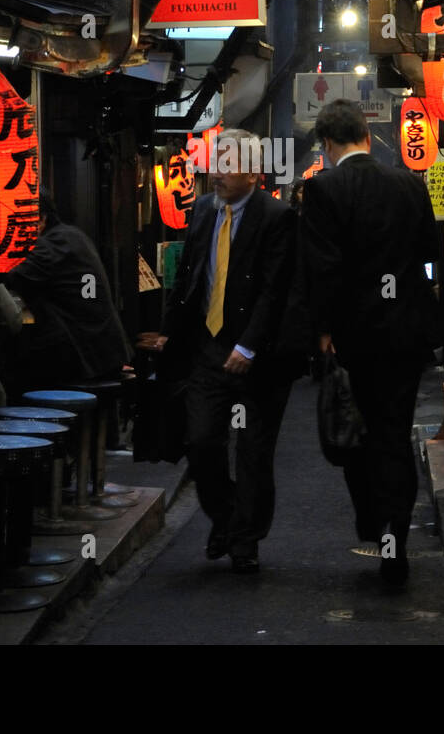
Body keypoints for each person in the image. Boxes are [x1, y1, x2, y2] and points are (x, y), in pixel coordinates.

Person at [138, 129, 298, 574]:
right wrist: (172, 332)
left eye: (227, 165)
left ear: (252, 171)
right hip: (206, 350)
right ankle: (225, 517)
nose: (216, 175)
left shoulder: (277, 217)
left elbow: (274, 289)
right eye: (215, 163)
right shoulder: (204, 212)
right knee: (202, 440)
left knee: (253, 452)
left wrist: (248, 345)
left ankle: (246, 542)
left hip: (258, 357)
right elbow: (189, 277)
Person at [299, 99, 443, 585]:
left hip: (354, 335)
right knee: (394, 435)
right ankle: (394, 542)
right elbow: (430, 251)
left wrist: (322, 331)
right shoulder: (409, 183)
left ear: (327, 143)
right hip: (405, 333)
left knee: (355, 431)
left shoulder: (323, 189)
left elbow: (323, 268)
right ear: (366, 134)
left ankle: (371, 518)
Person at [3, 190, 132, 401]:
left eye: (18, 222)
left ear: (42, 219)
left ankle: (37, 430)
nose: (14, 230)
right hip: (102, 352)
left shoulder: (53, 244)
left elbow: (11, 274)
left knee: (12, 375)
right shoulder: (71, 236)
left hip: (86, 356)